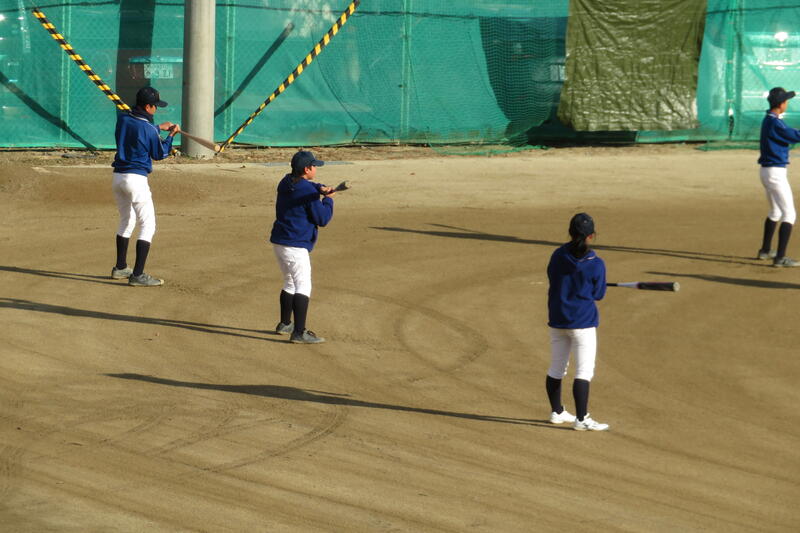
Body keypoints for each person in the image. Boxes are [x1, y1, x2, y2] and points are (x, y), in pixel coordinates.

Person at [545, 213, 609, 431]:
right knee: (584, 371)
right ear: (591, 236)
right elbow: (598, 294)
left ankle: (557, 411)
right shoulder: (596, 264)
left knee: (557, 368)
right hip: (582, 322)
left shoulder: (558, 255)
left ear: (570, 232)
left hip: (557, 319)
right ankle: (581, 419)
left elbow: (553, 278)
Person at [110, 86, 180, 286]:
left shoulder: (123, 119)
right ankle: (138, 275)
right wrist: (171, 136)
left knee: (126, 220)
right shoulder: (148, 129)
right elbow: (160, 154)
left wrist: (158, 128)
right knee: (148, 225)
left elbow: (139, 128)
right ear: (148, 107)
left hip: (118, 178)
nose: (156, 109)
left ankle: (120, 268)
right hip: (136, 180)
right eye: (155, 106)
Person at [270, 150, 335, 344]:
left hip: (279, 241)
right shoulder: (308, 192)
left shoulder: (285, 181)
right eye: (314, 166)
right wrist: (328, 199)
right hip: (295, 245)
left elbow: (305, 187)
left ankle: (285, 324)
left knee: (289, 282)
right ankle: (299, 332)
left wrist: (319, 187)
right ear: (307, 169)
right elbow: (322, 219)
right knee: (303, 285)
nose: (316, 168)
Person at [757, 87, 800, 267]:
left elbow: (788, 133)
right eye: (786, 101)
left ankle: (765, 250)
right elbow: (794, 136)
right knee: (789, 214)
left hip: (767, 172)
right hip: (775, 173)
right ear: (781, 104)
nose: (787, 103)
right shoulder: (775, 123)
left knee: (775, 211)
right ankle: (780, 258)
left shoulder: (770, 119)